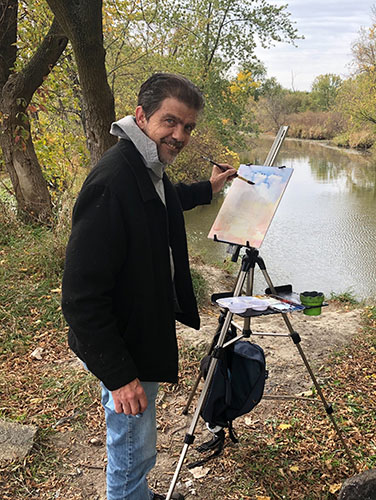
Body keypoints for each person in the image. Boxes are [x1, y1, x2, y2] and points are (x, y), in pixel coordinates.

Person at [61, 73, 236, 500]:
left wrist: (210, 188)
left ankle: (136, 492)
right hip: (124, 346)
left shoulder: (145, 168)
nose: (180, 135)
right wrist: (121, 377)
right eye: (170, 122)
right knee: (132, 443)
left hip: (139, 331)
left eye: (189, 127)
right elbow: (80, 298)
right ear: (141, 117)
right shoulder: (112, 181)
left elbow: (166, 198)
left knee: (138, 438)